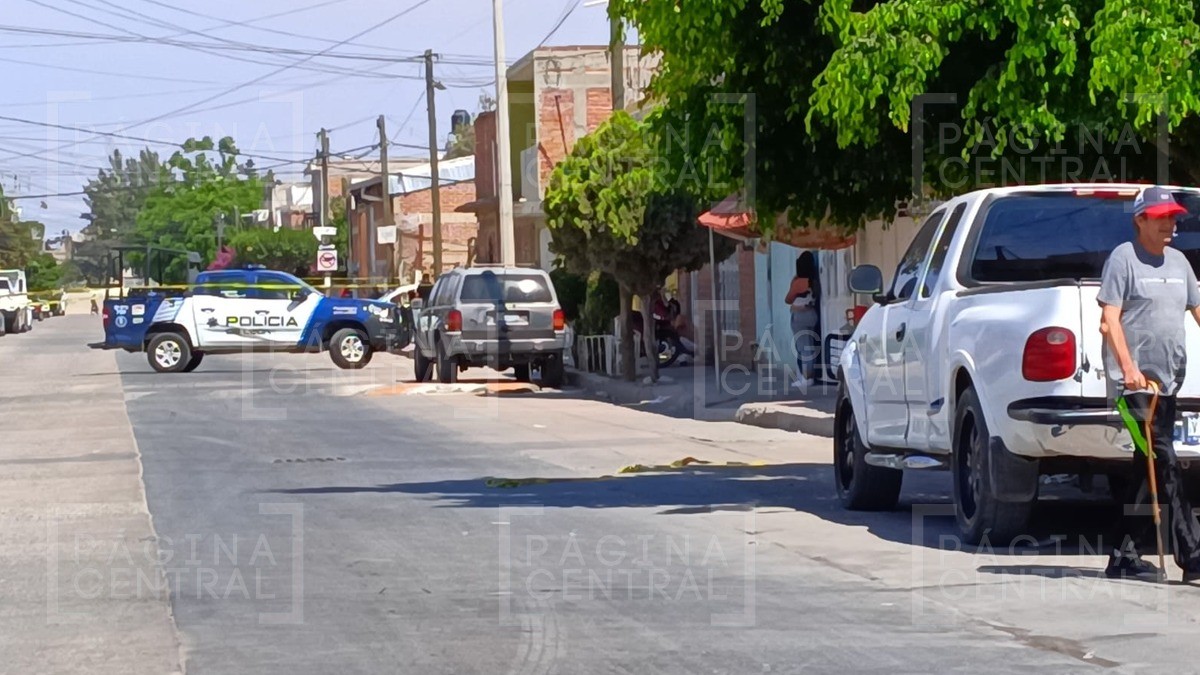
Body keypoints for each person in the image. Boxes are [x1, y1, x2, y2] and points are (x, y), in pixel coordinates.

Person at [1099, 185, 1200, 582]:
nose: (1170, 225)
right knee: (1166, 461)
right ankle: (1191, 554)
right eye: (1161, 219)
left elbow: (1197, 308)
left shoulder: (1179, 264)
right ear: (1140, 220)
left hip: (1168, 386)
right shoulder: (1123, 260)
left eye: (1173, 217)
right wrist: (1128, 369)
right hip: (1136, 393)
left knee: (1148, 470)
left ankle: (1122, 556)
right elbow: (1109, 321)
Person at [785, 252, 819, 390]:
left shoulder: (798, 281)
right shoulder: (814, 281)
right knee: (810, 346)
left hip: (799, 315)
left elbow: (787, 299)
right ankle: (809, 376)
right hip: (812, 315)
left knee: (803, 348)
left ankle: (806, 378)